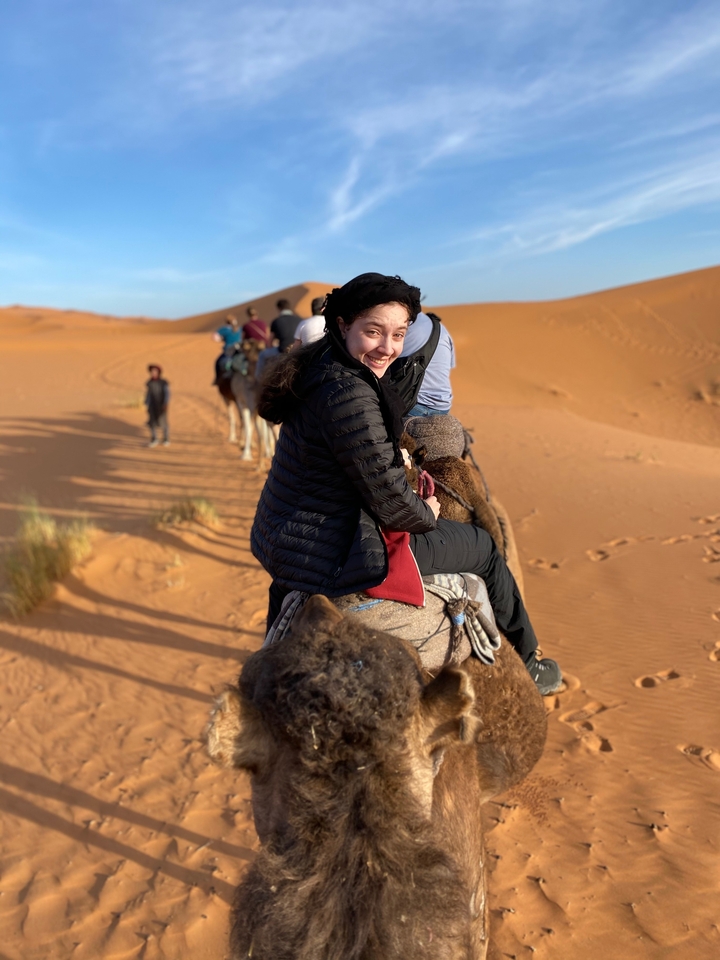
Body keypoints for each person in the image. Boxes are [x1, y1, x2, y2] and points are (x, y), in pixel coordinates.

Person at [251, 272, 562, 695]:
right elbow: (394, 504)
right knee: (485, 548)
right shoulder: (351, 391)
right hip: (335, 549)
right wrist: (427, 512)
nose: (388, 347)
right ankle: (530, 666)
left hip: (284, 538)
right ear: (343, 324)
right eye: (374, 331)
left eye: (398, 334)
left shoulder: (316, 365)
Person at [396, 310, 455, 416]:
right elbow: (448, 366)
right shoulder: (441, 328)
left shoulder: (402, 322)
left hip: (415, 405)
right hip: (443, 407)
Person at [145, 364, 170, 447]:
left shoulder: (163, 383)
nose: (153, 373)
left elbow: (167, 393)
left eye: (155, 371)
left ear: (159, 372)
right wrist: (146, 403)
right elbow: (148, 394)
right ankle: (154, 439)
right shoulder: (149, 383)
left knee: (163, 422)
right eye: (152, 371)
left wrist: (165, 403)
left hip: (161, 406)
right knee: (152, 423)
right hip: (152, 406)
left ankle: (166, 438)